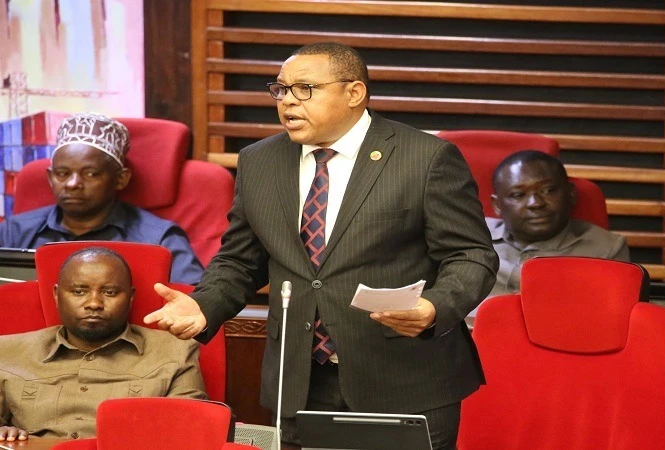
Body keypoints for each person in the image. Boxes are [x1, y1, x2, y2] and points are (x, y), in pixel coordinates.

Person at [144, 42, 498, 449]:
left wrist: (436, 307)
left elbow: (470, 254)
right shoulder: (259, 161)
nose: (288, 102)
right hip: (299, 380)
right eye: (280, 90)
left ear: (354, 93)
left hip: (401, 375)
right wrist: (203, 304)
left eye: (305, 89)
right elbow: (241, 260)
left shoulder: (425, 158)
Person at [0, 247, 206, 441]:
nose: (94, 304)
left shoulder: (175, 351)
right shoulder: (7, 352)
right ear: (56, 295)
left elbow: (187, 431)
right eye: (79, 291)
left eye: (110, 292)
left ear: (130, 297)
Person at [0, 112, 203, 284]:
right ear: (50, 178)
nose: (72, 184)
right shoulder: (14, 232)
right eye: (62, 173)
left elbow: (193, 303)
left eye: (90, 174)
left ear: (121, 179)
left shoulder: (159, 239)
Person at [485, 150, 629, 298]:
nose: (536, 203)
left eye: (548, 190)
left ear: (571, 194)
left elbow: (614, 313)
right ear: (497, 205)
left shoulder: (607, 249)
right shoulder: (471, 237)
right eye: (518, 195)